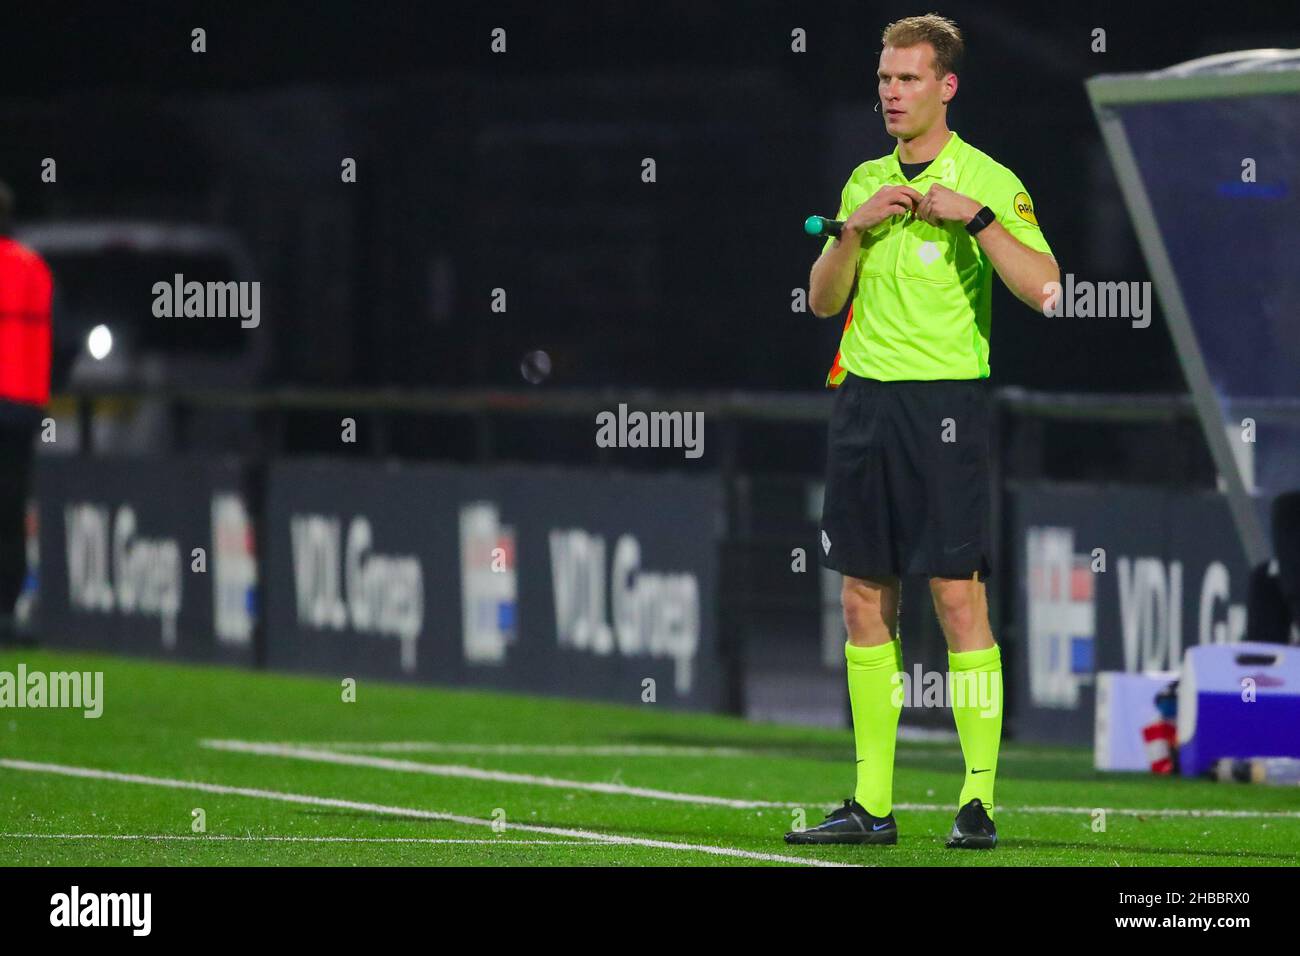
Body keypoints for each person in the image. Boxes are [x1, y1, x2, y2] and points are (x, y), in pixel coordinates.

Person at [787, 14, 1058, 849]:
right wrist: (853, 227)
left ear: (946, 85)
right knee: (863, 595)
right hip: (866, 403)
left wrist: (977, 220)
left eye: (907, 79)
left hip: (947, 407)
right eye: (882, 80)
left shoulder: (988, 178)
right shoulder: (863, 180)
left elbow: (1048, 289)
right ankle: (872, 804)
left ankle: (977, 801)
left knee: (955, 596)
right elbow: (822, 300)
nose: (891, 93)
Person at [0, 180, 54, 641]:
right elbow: (69, 338)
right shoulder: (33, 268)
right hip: (21, 408)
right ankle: (7, 609)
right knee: (12, 510)